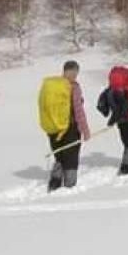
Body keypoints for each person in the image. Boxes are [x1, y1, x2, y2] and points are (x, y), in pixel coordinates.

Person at [41, 60, 91, 192]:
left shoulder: (52, 86)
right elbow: (78, 110)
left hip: (54, 128)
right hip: (70, 128)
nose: (75, 75)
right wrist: (85, 130)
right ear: (73, 71)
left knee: (59, 156)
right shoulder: (73, 87)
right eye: (75, 72)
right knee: (71, 158)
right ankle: (69, 188)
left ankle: (54, 185)